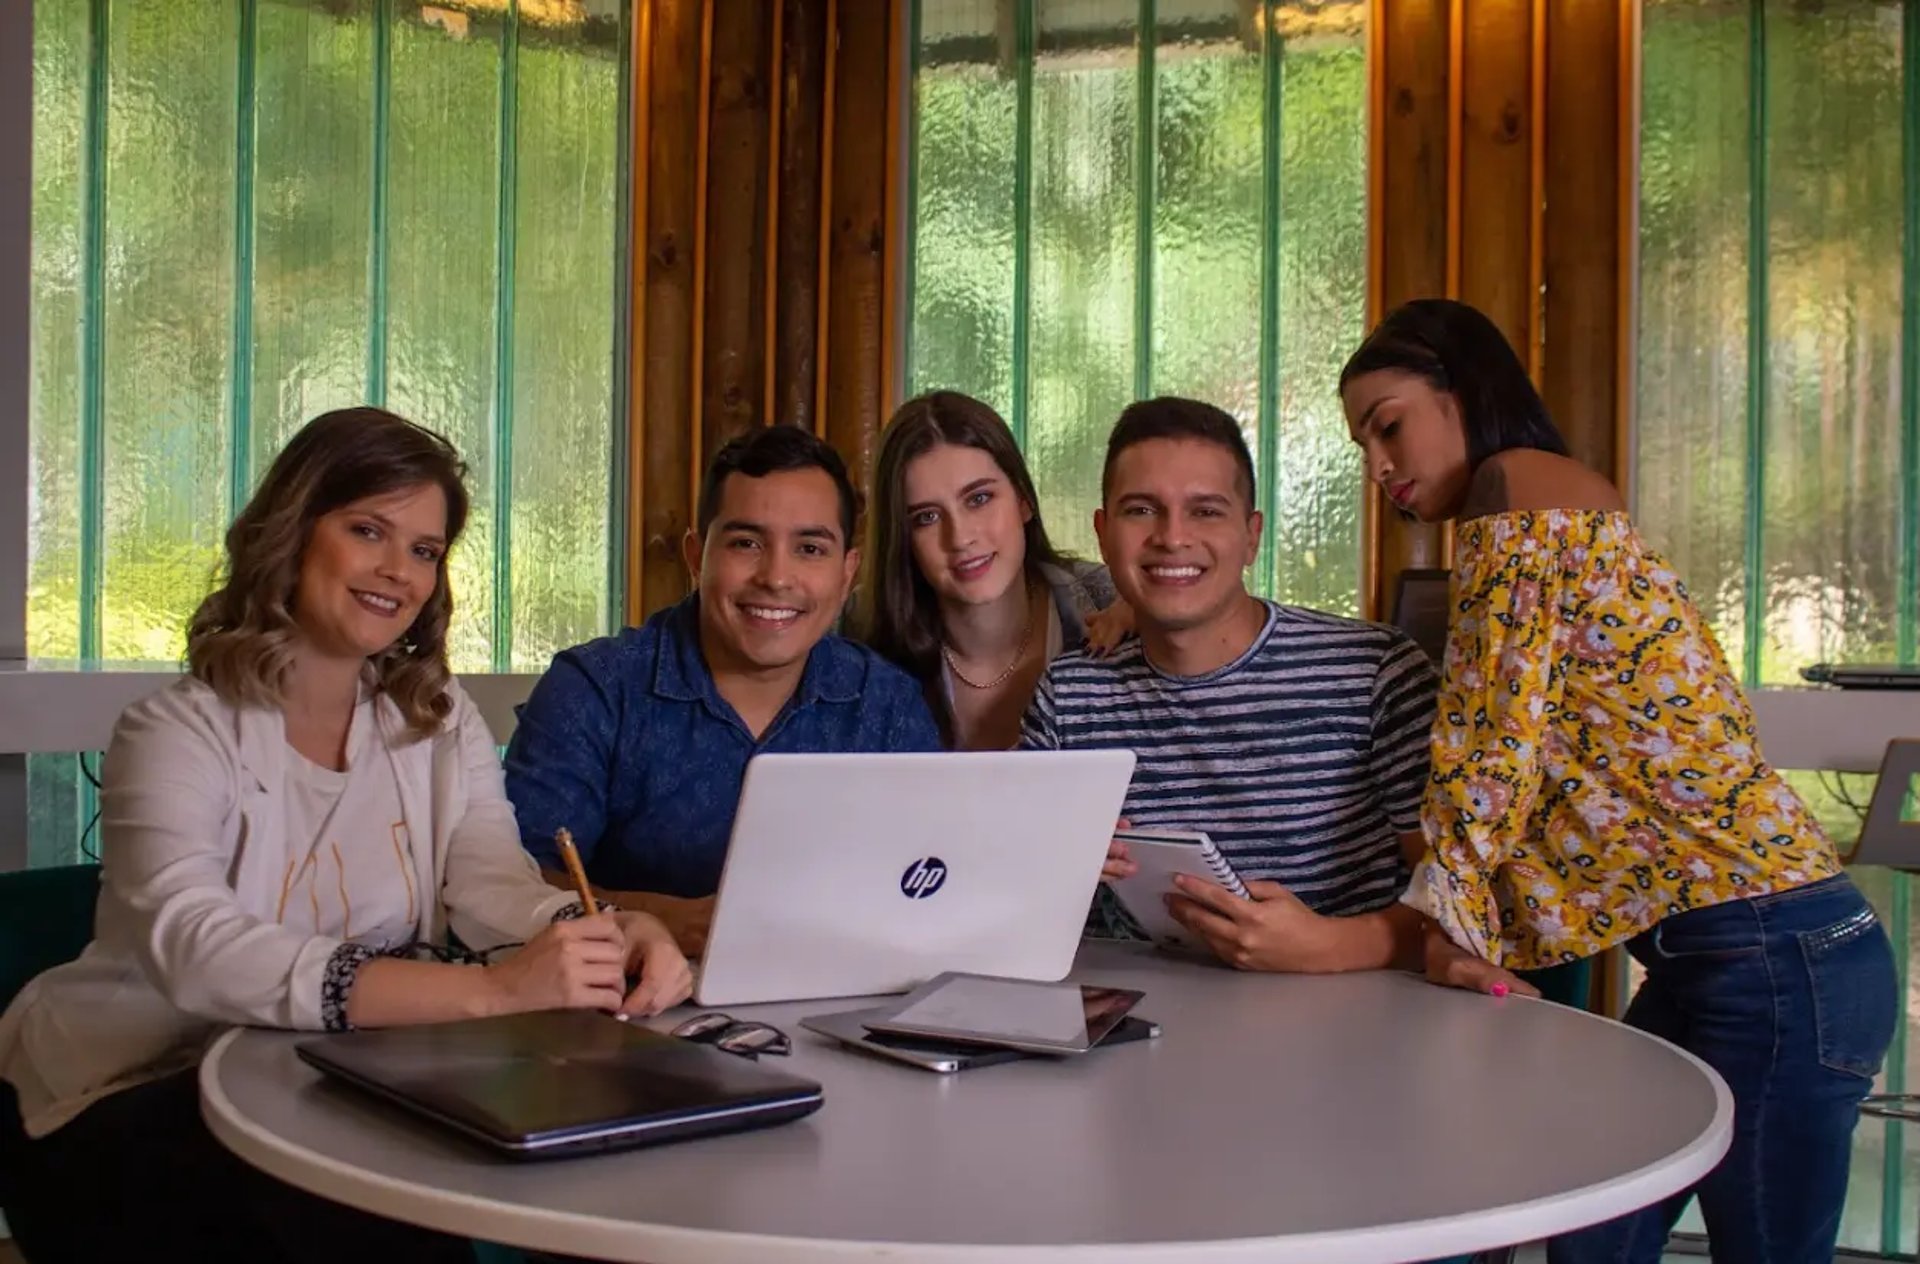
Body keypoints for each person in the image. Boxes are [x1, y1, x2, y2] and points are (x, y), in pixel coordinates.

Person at [0, 408, 691, 1264]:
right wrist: (494, 994)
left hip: (333, 1076)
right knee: (361, 1200)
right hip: (123, 1091)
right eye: (368, 530)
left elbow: (490, 883)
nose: (397, 572)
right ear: (291, 533)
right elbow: (196, 948)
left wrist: (599, 931)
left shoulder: (436, 725)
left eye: (425, 551)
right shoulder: (174, 729)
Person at [1340, 298, 1896, 1264]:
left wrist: (1440, 928)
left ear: (1461, 388)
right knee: (1590, 1237)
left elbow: (1487, 744)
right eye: (1363, 444)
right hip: (1729, 956)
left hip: (1776, 957)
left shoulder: (1517, 493)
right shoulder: (1558, 500)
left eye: (1389, 424)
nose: (1380, 467)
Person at [1020, 397, 1438, 974]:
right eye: (1141, 510)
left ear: (1251, 535)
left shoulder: (1377, 671)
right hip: (1132, 1026)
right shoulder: (1067, 699)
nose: (1172, 537)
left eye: (1206, 511)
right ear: (1102, 532)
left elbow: (1462, 900)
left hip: (1350, 1028)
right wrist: (1052, 870)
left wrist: (1337, 945)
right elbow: (1012, 900)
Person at [505, 424, 942, 956]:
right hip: (625, 1011)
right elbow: (513, 880)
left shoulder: (888, 704)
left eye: (809, 548)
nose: (777, 577)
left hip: (843, 1000)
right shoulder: (595, 689)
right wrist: (661, 920)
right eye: (746, 543)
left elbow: (932, 879)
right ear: (696, 555)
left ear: (847, 572)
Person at [860, 390, 1129, 749]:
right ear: (902, 539)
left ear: (1023, 501)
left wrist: (1154, 612)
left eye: (979, 499)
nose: (960, 538)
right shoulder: (858, 635)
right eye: (926, 517)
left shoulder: (1109, 600)